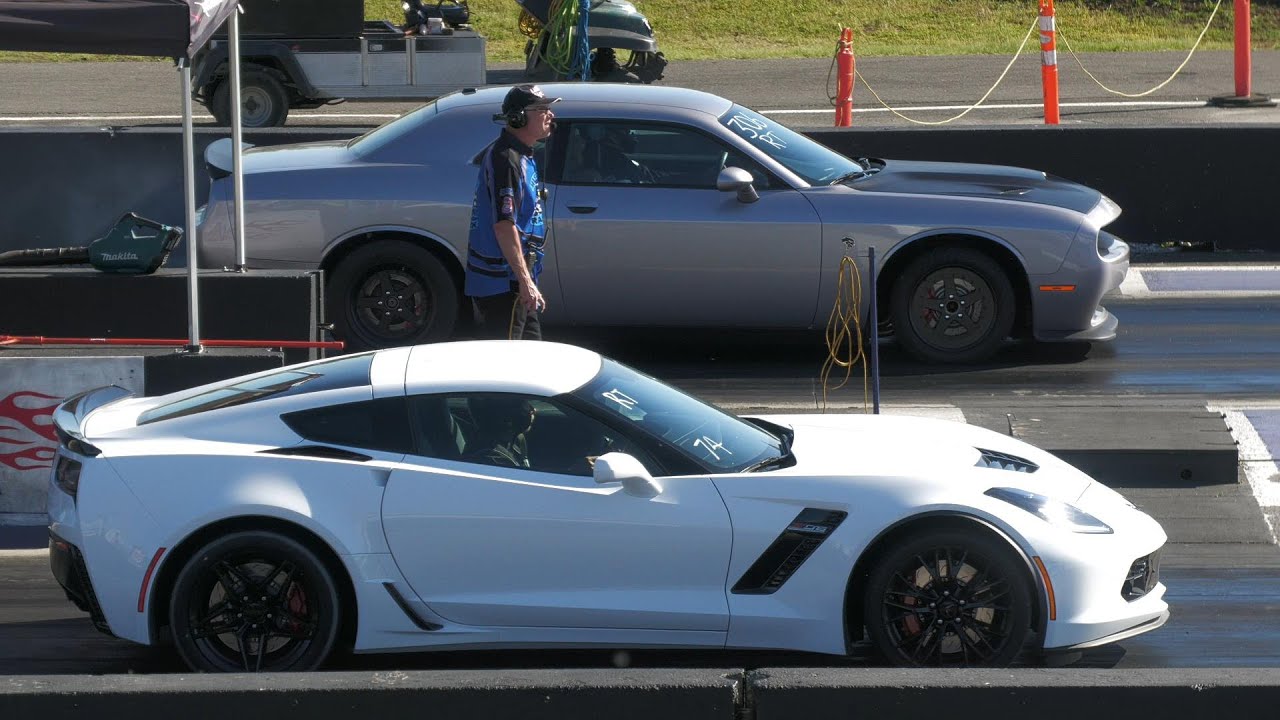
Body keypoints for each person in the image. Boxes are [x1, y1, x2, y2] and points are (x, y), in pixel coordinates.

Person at [464, 84, 559, 340]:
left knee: (530, 357)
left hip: (515, 282)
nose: (550, 115)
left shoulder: (523, 155)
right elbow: (504, 226)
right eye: (542, 109)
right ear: (518, 117)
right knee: (505, 365)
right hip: (503, 285)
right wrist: (524, 281)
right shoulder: (506, 159)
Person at [463, 395, 536, 468]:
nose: (534, 410)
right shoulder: (493, 459)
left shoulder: (516, 440)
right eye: (526, 407)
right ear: (509, 418)